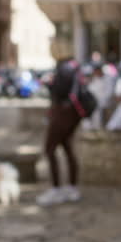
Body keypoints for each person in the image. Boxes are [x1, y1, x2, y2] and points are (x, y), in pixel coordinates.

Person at [36, 58, 85, 206]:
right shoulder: (73, 68)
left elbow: (60, 92)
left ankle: (56, 189)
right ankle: (71, 187)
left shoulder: (64, 69)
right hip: (72, 116)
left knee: (50, 149)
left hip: (62, 116)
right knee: (67, 148)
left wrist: (50, 84)